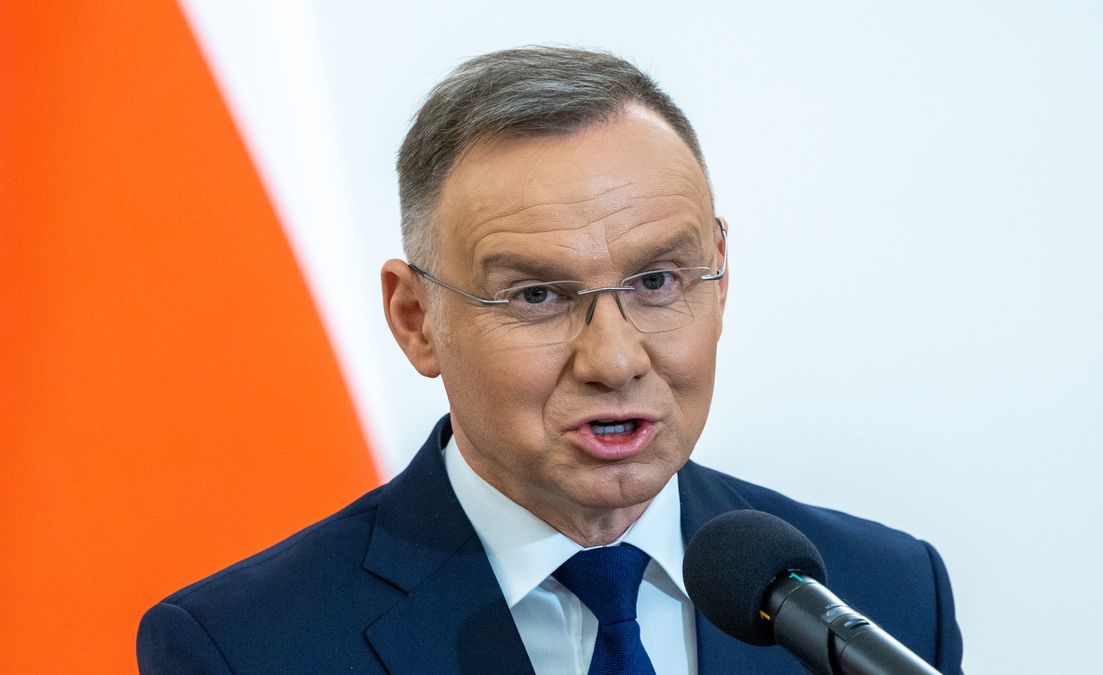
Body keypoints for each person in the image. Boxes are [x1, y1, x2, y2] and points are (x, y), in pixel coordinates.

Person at [137, 46, 964, 674]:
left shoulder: (883, 594)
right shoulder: (242, 646)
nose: (613, 358)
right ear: (415, 318)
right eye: (537, 296)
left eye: (656, 280)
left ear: (720, 280)